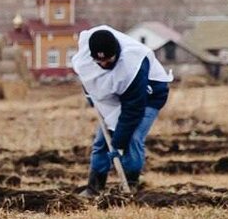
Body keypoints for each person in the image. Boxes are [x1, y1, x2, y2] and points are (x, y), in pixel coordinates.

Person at [70, 25, 172, 197]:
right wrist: (91, 98)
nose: (103, 65)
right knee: (102, 141)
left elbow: (133, 110)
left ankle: (130, 187)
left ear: (116, 53)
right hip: (116, 96)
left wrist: (119, 143)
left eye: (108, 61)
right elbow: (88, 82)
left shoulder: (133, 65)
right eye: (99, 62)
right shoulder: (86, 57)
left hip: (148, 95)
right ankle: (94, 187)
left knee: (131, 139)